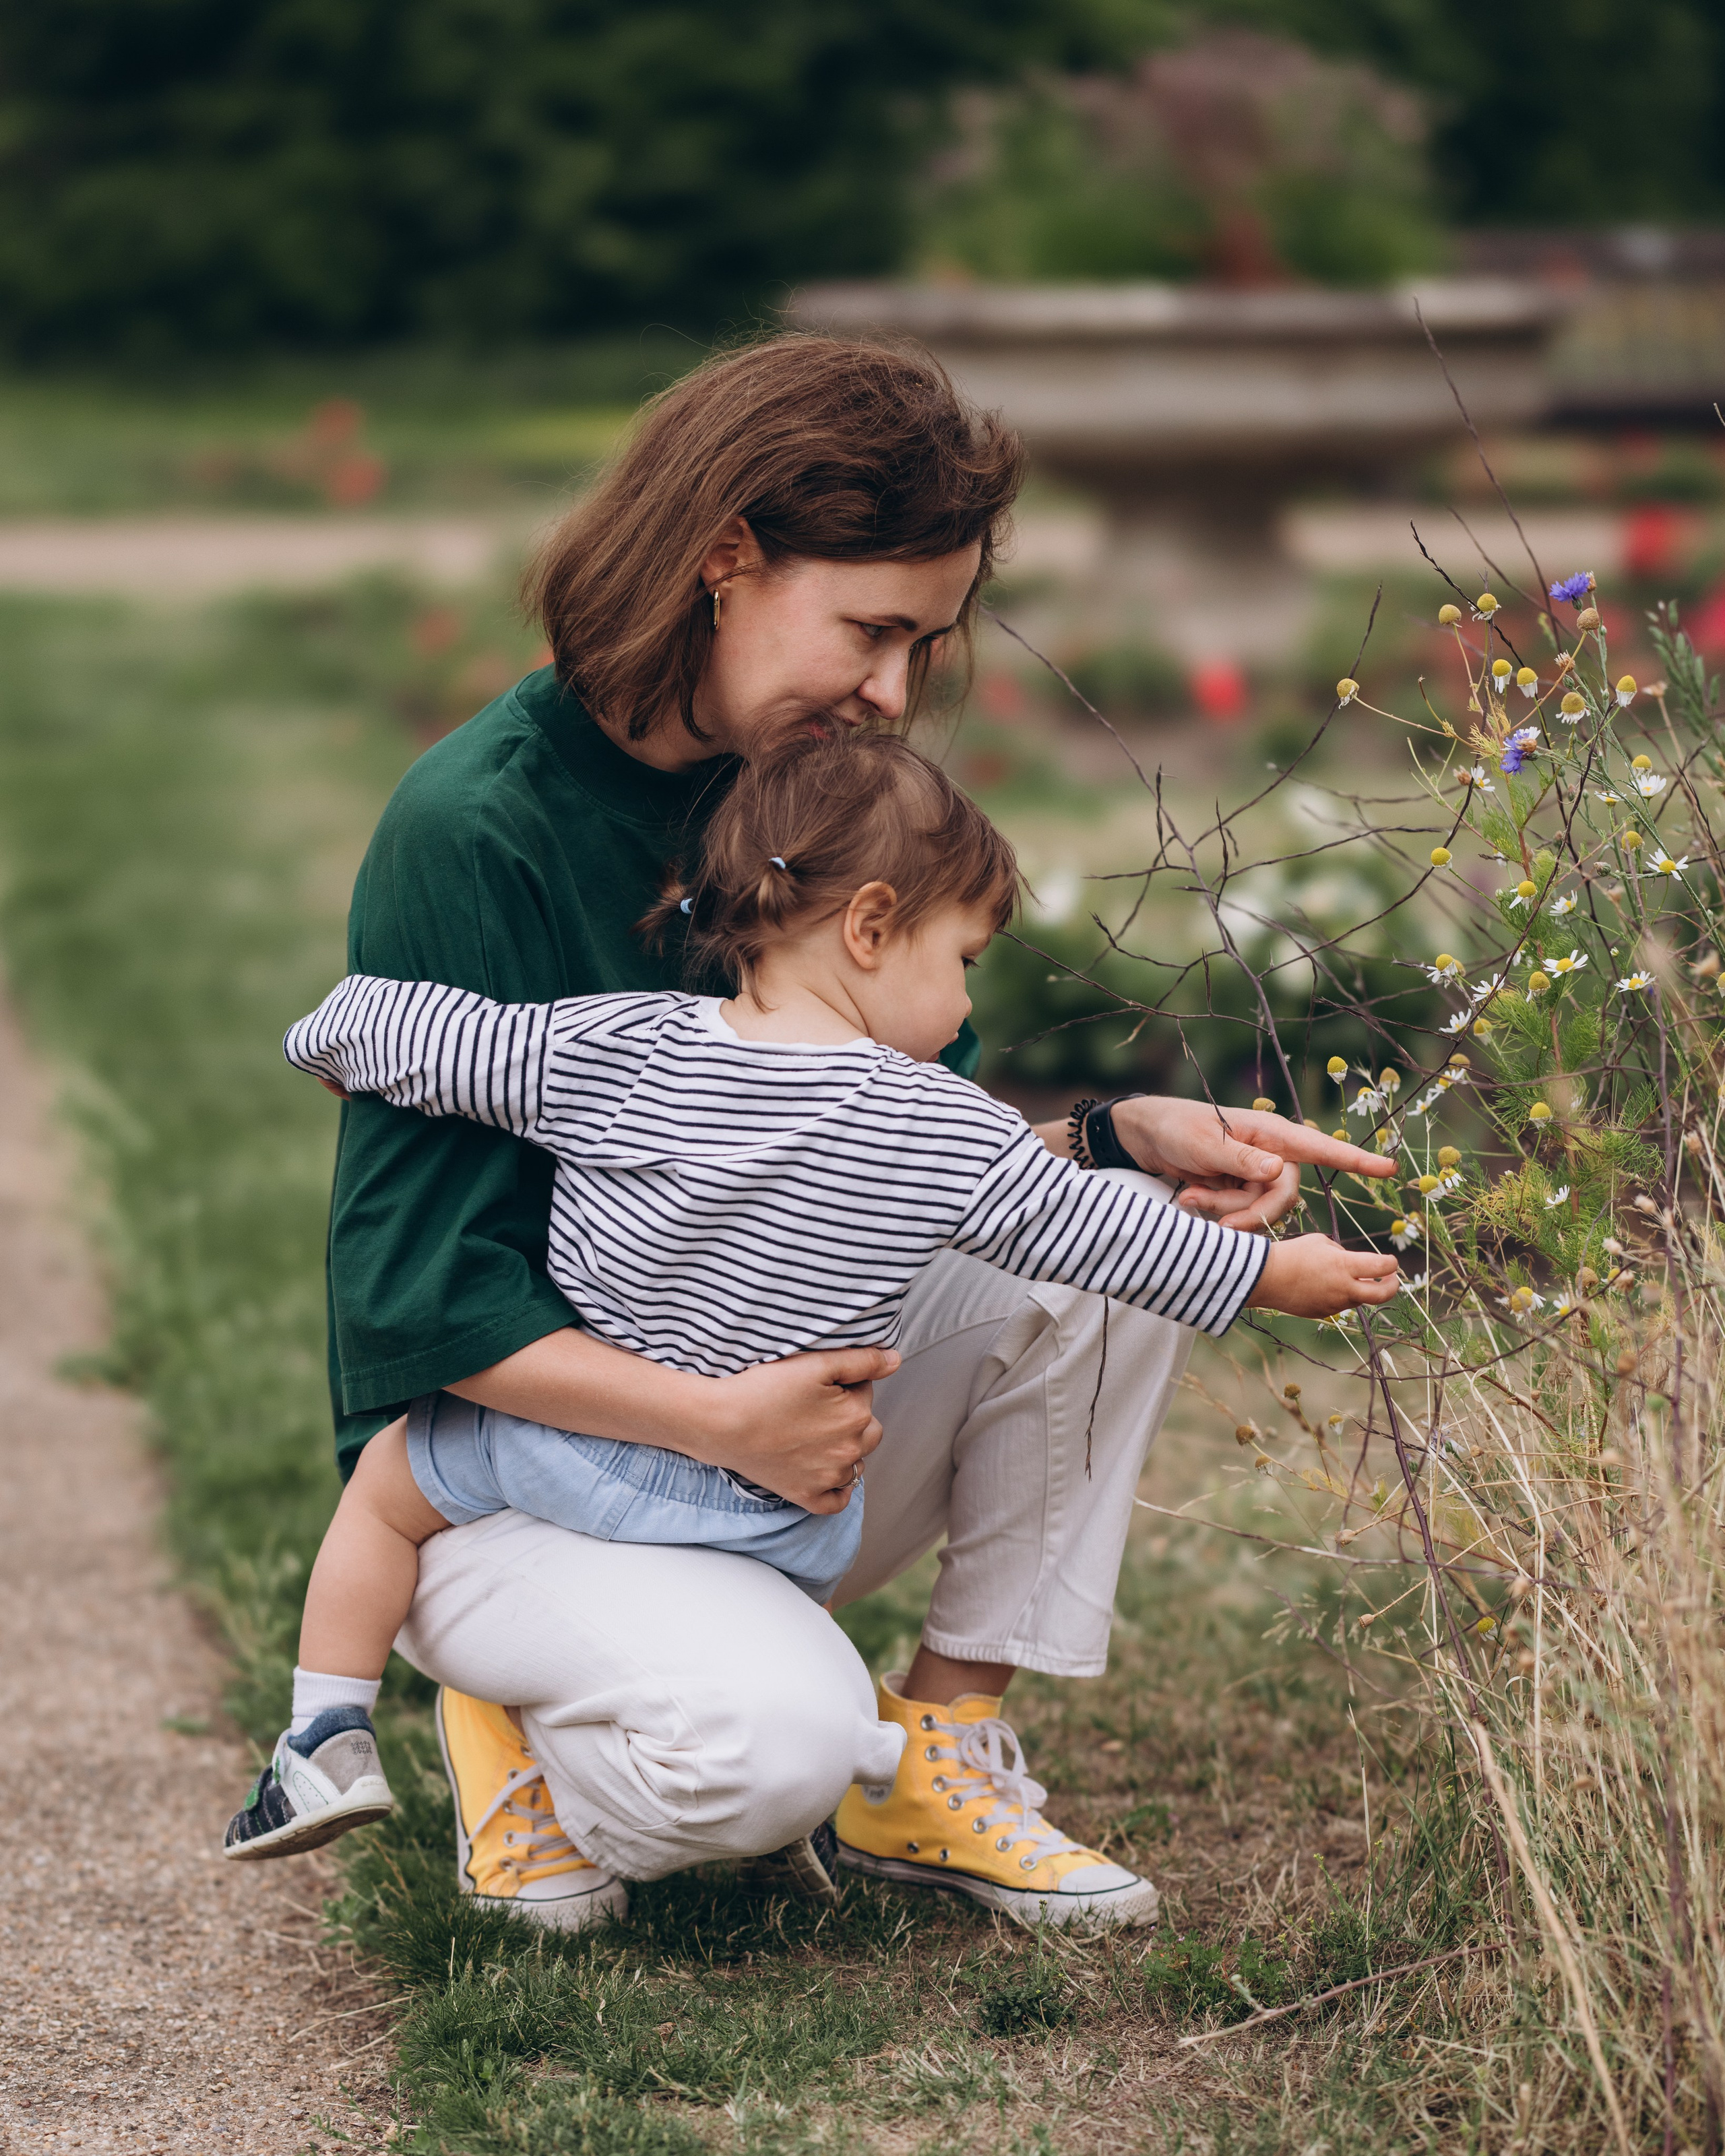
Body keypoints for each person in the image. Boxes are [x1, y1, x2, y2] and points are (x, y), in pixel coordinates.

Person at [306, 333, 1398, 1932]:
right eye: (872, 630)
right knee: (762, 1762)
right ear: (724, 559)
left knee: (1131, 1259)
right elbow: (415, 1305)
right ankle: (528, 1723)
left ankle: (933, 1753)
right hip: (508, 1479)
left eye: (923, 645)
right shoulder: (478, 828)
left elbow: (880, 1143)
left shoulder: (798, 788)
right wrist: (715, 1421)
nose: (893, 695)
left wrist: (1109, 1137)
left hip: (757, 1463)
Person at [222, 733, 1397, 1899]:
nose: (968, 997)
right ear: (872, 928)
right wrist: (1270, 1278)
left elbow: (428, 1037)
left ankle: (324, 1733)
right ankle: (579, 1733)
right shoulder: (937, 1126)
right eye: (967, 958)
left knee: (385, 1489)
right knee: (783, 1713)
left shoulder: (618, 1046)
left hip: (558, 1462)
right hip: (755, 1510)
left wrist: (326, 1046)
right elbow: (1100, 1238)